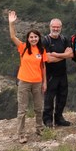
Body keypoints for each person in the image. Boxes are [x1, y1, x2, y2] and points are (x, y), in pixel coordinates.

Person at [8, 10, 46, 143]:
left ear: (38, 38)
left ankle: (39, 128)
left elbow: (43, 67)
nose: (34, 39)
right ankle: (21, 134)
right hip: (24, 82)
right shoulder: (23, 48)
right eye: (31, 37)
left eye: (36, 37)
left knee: (39, 108)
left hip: (37, 82)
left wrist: (44, 82)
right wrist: (12, 24)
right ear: (28, 39)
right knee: (22, 110)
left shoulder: (41, 50)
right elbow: (13, 37)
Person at [42, 18, 73, 128]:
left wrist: (56, 55)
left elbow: (70, 54)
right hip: (50, 75)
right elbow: (48, 59)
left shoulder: (64, 39)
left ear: (61, 27)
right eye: (53, 27)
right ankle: (47, 120)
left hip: (62, 74)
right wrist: (63, 55)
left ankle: (59, 118)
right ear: (50, 27)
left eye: (58, 27)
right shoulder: (45, 40)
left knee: (62, 97)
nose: (56, 29)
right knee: (49, 99)